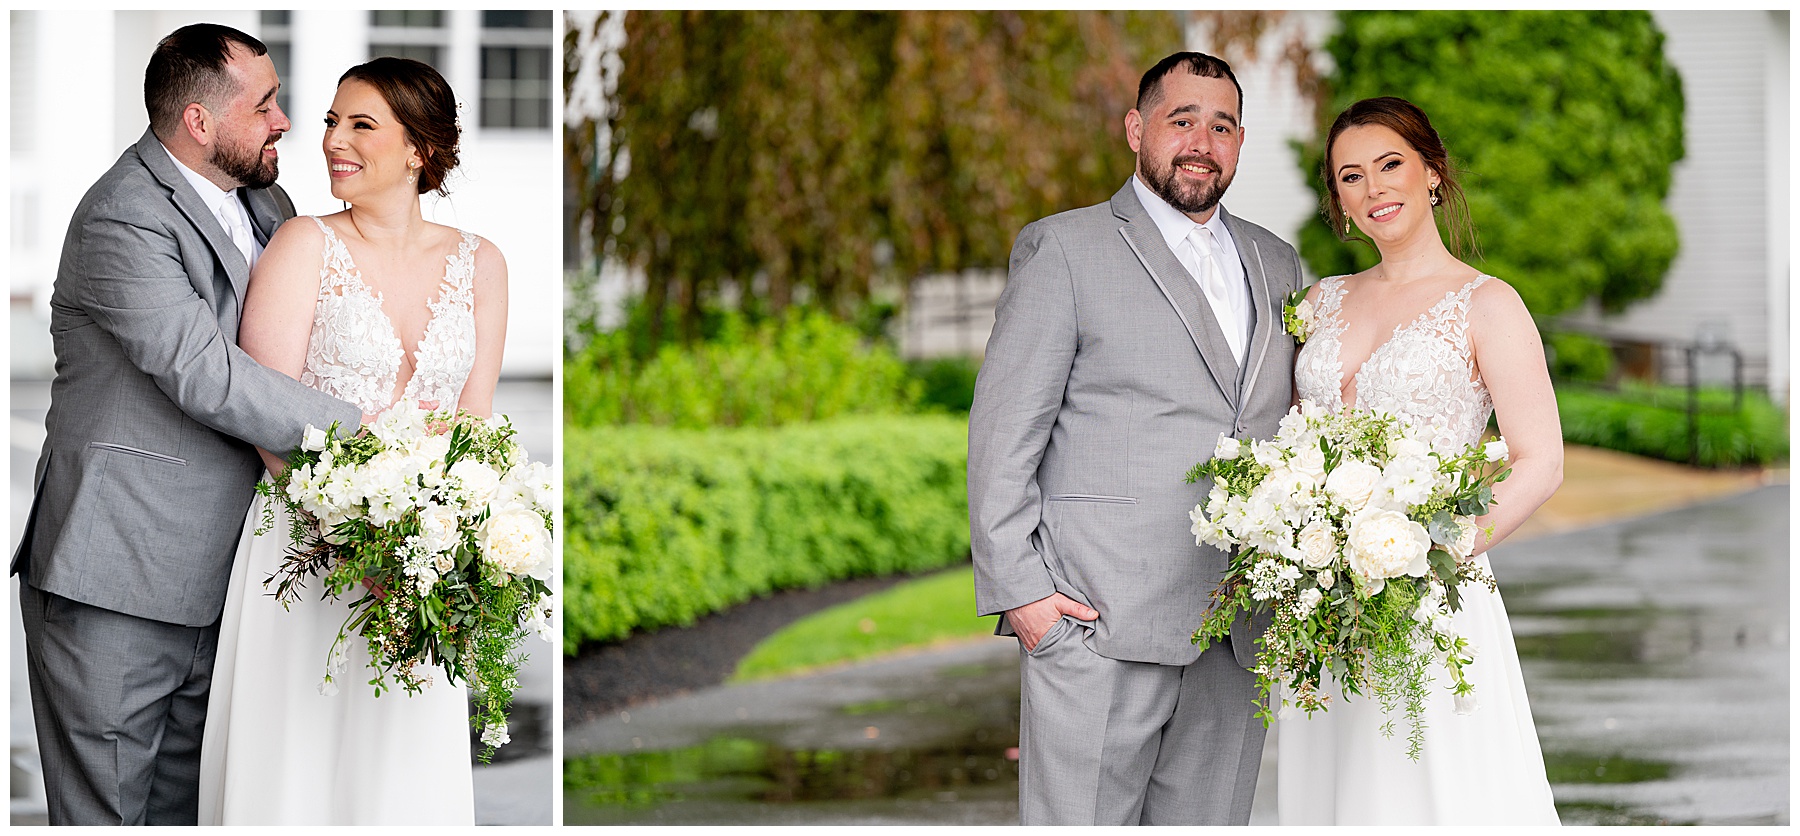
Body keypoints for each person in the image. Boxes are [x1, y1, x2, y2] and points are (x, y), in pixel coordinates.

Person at [10, 24, 363, 825]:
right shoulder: (121, 217)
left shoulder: (270, 203)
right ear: (200, 123)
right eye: (266, 103)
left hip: (233, 581)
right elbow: (207, 374)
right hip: (119, 581)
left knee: (191, 814)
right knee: (110, 814)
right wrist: (365, 439)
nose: (285, 121)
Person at [968, 52, 1302, 825]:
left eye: (1221, 126)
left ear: (1241, 142)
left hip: (1236, 630)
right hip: (1097, 626)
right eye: (1180, 119)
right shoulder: (1064, 249)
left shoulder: (1276, 262)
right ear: (1135, 129)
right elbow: (1003, 435)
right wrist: (1025, 599)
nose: (1200, 142)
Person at [195, 56, 509, 825]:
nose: (334, 138)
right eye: (333, 121)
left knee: (402, 776)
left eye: (361, 124)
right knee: (296, 771)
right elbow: (268, 417)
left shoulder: (482, 265)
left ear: (419, 151)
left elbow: (474, 426)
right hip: (306, 548)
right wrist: (358, 539)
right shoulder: (303, 244)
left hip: (420, 561)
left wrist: (444, 549)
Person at [1281, 95, 1563, 825]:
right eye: (1350, 176)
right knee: (1340, 793)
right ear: (1337, 200)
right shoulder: (1317, 303)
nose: (1373, 189)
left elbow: (1540, 460)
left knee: (1436, 791)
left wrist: (1434, 554)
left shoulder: (1487, 303)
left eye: (1389, 165)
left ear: (1432, 172)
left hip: (1435, 597)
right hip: (1327, 605)